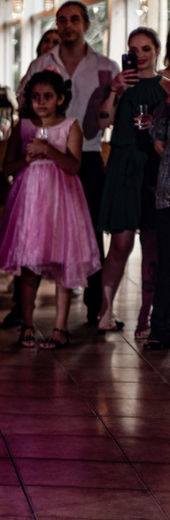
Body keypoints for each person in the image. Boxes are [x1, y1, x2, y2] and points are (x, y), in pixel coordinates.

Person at [20, 1, 117, 325]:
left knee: (90, 231)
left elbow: (115, 115)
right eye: (62, 20)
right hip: (44, 158)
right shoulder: (40, 64)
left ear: (86, 24)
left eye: (74, 19)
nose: (67, 25)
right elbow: (24, 105)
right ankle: (23, 312)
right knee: (34, 232)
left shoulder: (106, 66)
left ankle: (94, 305)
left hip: (87, 156)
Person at [0, 71, 100, 349]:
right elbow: (8, 167)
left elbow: (75, 166)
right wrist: (27, 158)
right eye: (36, 97)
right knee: (29, 263)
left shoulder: (70, 126)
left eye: (48, 97)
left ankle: (60, 327)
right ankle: (27, 324)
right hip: (29, 202)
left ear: (61, 99)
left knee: (63, 260)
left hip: (60, 200)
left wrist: (48, 150)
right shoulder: (23, 126)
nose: (41, 102)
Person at [89, 27, 166, 335]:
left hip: (153, 165)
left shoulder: (167, 88)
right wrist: (113, 91)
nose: (140, 55)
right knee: (120, 244)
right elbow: (102, 123)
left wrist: (156, 127)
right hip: (122, 163)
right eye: (133, 50)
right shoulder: (118, 85)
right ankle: (106, 311)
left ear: (157, 51)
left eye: (145, 49)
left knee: (152, 245)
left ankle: (146, 315)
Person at [145, 93, 170, 351]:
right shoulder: (165, 107)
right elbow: (159, 144)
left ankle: (161, 329)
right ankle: (161, 328)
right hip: (168, 194)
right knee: (166, 264)